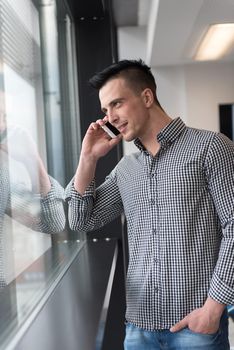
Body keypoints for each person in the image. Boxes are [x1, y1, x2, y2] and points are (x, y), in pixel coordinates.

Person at [65, 59, 234, 349]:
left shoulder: (210, 147)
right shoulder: (125, 169)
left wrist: (213, 309)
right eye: (105, 110)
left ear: (146, 97)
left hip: (196, 327)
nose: (110, 118)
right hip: (139, 329)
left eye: (117, 104)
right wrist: (88, 158)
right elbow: (81, 221)